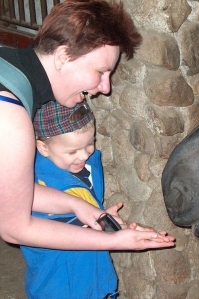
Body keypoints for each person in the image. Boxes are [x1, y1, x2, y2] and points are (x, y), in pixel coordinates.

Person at [0, 0, 175, 251]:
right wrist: (112, 241)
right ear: (63, 56)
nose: (106, 88)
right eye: (101, 72)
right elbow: (14, 228)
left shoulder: (8, 64)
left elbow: (13, 195)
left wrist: (77, 205)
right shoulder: (9, 117)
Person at [22, 100, 120, 298]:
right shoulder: (35, 184)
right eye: (73, 151)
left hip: (94, 278)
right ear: (43, 148)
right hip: (59, 286)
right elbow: (61, 233)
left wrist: (102, 220)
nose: (85, 154)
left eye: (90, 143)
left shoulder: (84, 165)